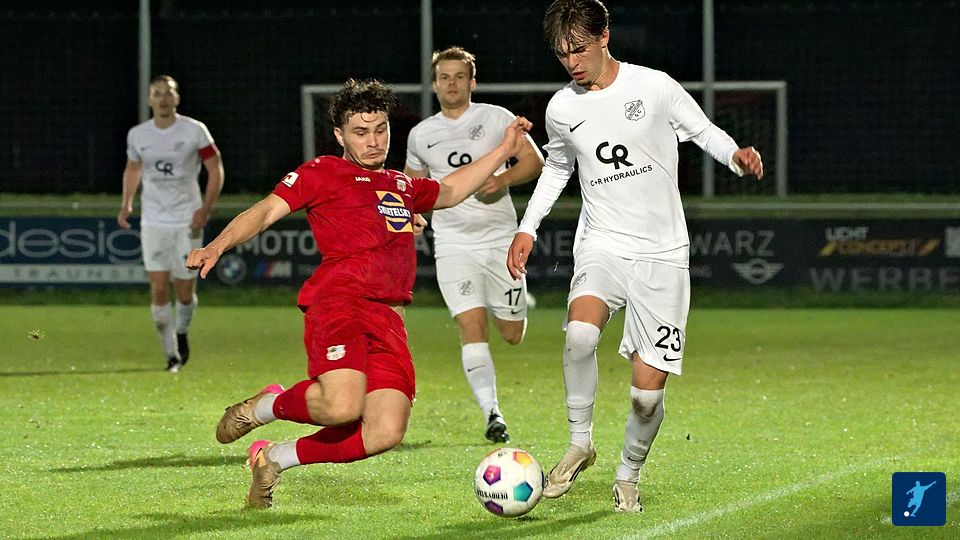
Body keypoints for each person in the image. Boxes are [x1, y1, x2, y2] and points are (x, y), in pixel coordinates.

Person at [186, 79, 532, 509]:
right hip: (340, 304)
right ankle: (264, 407)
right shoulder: (322, 172)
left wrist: (503, 149)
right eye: (361, 132)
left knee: (385, 431)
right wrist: (217, 245)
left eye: (381, 130)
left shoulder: (400, 185)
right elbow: (266, 210)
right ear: (340, 135)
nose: (373, 141)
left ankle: (275, 458)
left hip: (389, 319)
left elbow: (450, 190)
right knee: (341, 406)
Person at [506, 0, 764, 513]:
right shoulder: (562, 108)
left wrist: (735, 157)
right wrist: (527, 227)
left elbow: (704, 131)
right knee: (580, 335)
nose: (572, 62)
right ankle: (580, 442)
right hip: (603, 243)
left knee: (646, 398)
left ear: (605, 36)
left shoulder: (654, 86)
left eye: (579, 49)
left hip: (663, 255)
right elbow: (557, 168)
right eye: (562, 54)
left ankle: (628, 473)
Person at [404, 46, 545, 444]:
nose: (452, 84)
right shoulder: (421, 135)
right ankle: (492, 414)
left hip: (500, 240)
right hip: (453, 244)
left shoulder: (496, 118)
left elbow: (534, 162)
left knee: (512, 334)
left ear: (472, 82)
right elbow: (411, 187)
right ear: (434, 85)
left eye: (459, 76)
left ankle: (516, 299)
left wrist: (502, 180)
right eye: (444, 77)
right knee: (471, 326)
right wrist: (411, 215)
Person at [118, 75, 224, 373]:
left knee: (185, 292)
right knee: (159, 288)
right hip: (153, 222)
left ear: (177, 98)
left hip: (186, 221)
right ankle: (172, 355)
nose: (163, 98)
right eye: (157, 93)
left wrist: (205, 208)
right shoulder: (138, 135)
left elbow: (215, 168)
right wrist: (126, 202)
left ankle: (182, 331)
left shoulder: (194, 130)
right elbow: (133, 168)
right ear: (149, 99)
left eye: (168, 93)